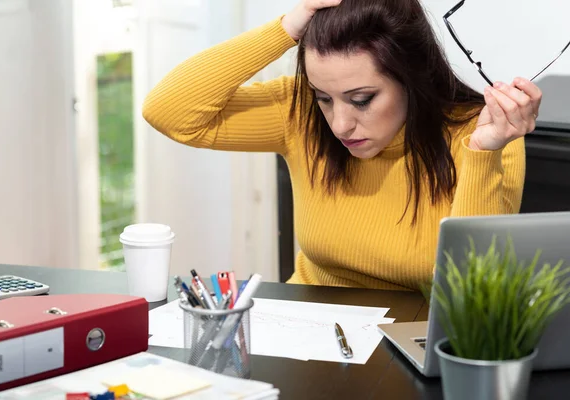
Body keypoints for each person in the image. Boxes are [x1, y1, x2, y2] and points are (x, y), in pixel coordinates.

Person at [142, 0, 541, 291]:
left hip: (413, 346)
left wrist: (483, 153)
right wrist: (285, 28)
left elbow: (470, 290)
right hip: (306, 328)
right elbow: (168, 111)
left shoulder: (485, 135)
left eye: (362, 99)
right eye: (323, 97)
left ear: (413, 78)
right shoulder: (298, 112)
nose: (340, 124)